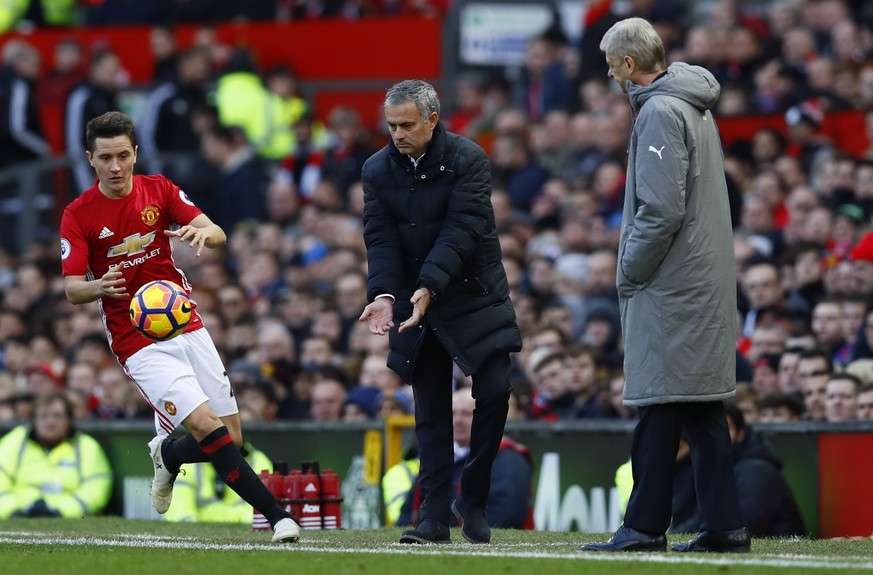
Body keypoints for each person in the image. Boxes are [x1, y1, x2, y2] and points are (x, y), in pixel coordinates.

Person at [59, 111, 299, 543]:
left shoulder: (160, 189)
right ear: (90, 159)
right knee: (208, 426)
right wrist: (98, 284)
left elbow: (217, 230)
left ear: (135, 153)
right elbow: (73, 290)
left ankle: (168, 453)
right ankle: (278, 517)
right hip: (137, 339)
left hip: (184, 319)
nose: (115, 167)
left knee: (233, 436)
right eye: (105, 158)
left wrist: (204, 235)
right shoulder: (79, 215)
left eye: (123, 156)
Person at [582, 18, 750, 554]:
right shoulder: (692, 105)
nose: (611, 76)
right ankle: (725, 526)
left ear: (630, 65)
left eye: (612, 66)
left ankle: (645, 525)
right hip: (701, 278)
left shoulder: (658, 110)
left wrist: (629, 269)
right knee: (702, 407)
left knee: (658, 404)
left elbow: (660, 211)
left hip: (672, 283)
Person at [359, 79, 522, 544]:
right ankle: (432, 515)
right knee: (429, 405)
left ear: (433, 120)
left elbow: (462, 231)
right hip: (413, 297)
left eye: (407, 125)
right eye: (391, 126)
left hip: (472, 292)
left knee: (494, 389)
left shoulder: (469, 159)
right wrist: (385, 294)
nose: (398, 134)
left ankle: (471, 495)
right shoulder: (376, 169)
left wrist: (430, 284)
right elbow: (381, 238)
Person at [397, 387, 534, 531]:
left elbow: (506, 513)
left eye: (467, 414)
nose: (457, 421)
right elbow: (409, 509)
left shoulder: (508, 457)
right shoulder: (438, 456)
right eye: (452, 414)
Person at [0, 391, 112, 518]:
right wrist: (14, 511)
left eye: (57, 416)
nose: (50, 422)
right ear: (34, 419)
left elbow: (96, 489)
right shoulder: (14, 441)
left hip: (68, 522)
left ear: (69, 419)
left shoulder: (87, 446)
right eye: (44, 416)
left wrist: (59, 512)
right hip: (18, 516)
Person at [163, 438, 273, 523]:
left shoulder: (259, 461)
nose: (221, 434)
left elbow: (259, 518)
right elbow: (179, 515)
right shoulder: (187, 463)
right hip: (201, 541)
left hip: (212, 532)